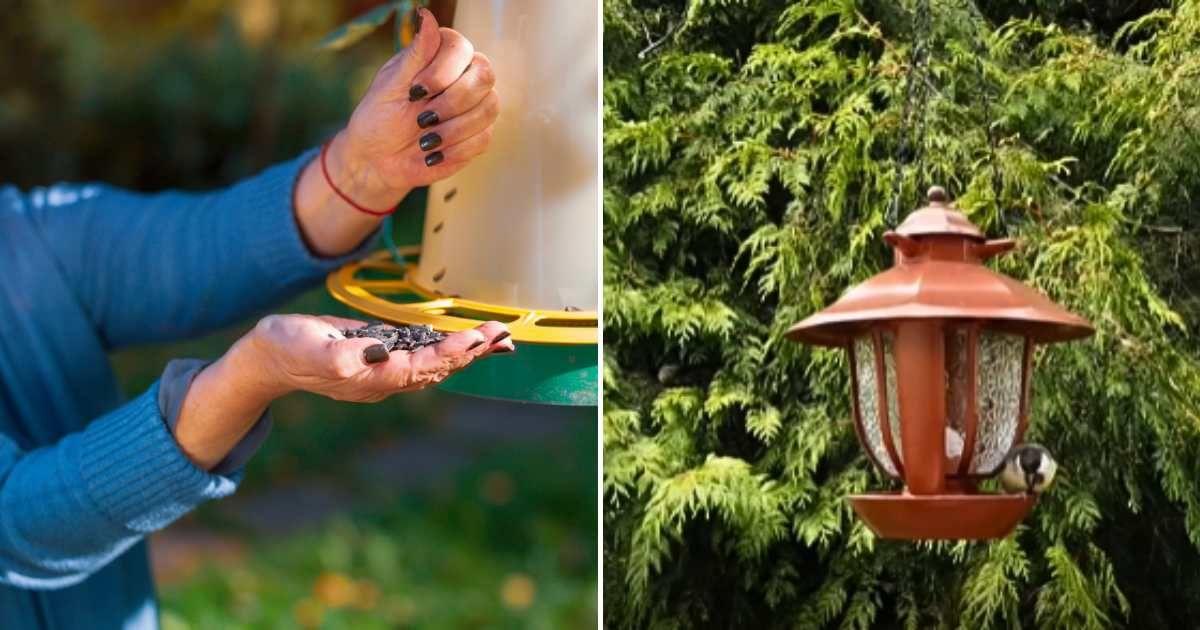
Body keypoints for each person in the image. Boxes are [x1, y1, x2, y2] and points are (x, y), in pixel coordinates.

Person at [0, 9, 508, 628]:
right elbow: (18, 525)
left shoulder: (23, 239)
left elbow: (201, 248)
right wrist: (247, 377)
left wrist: (366, 167)